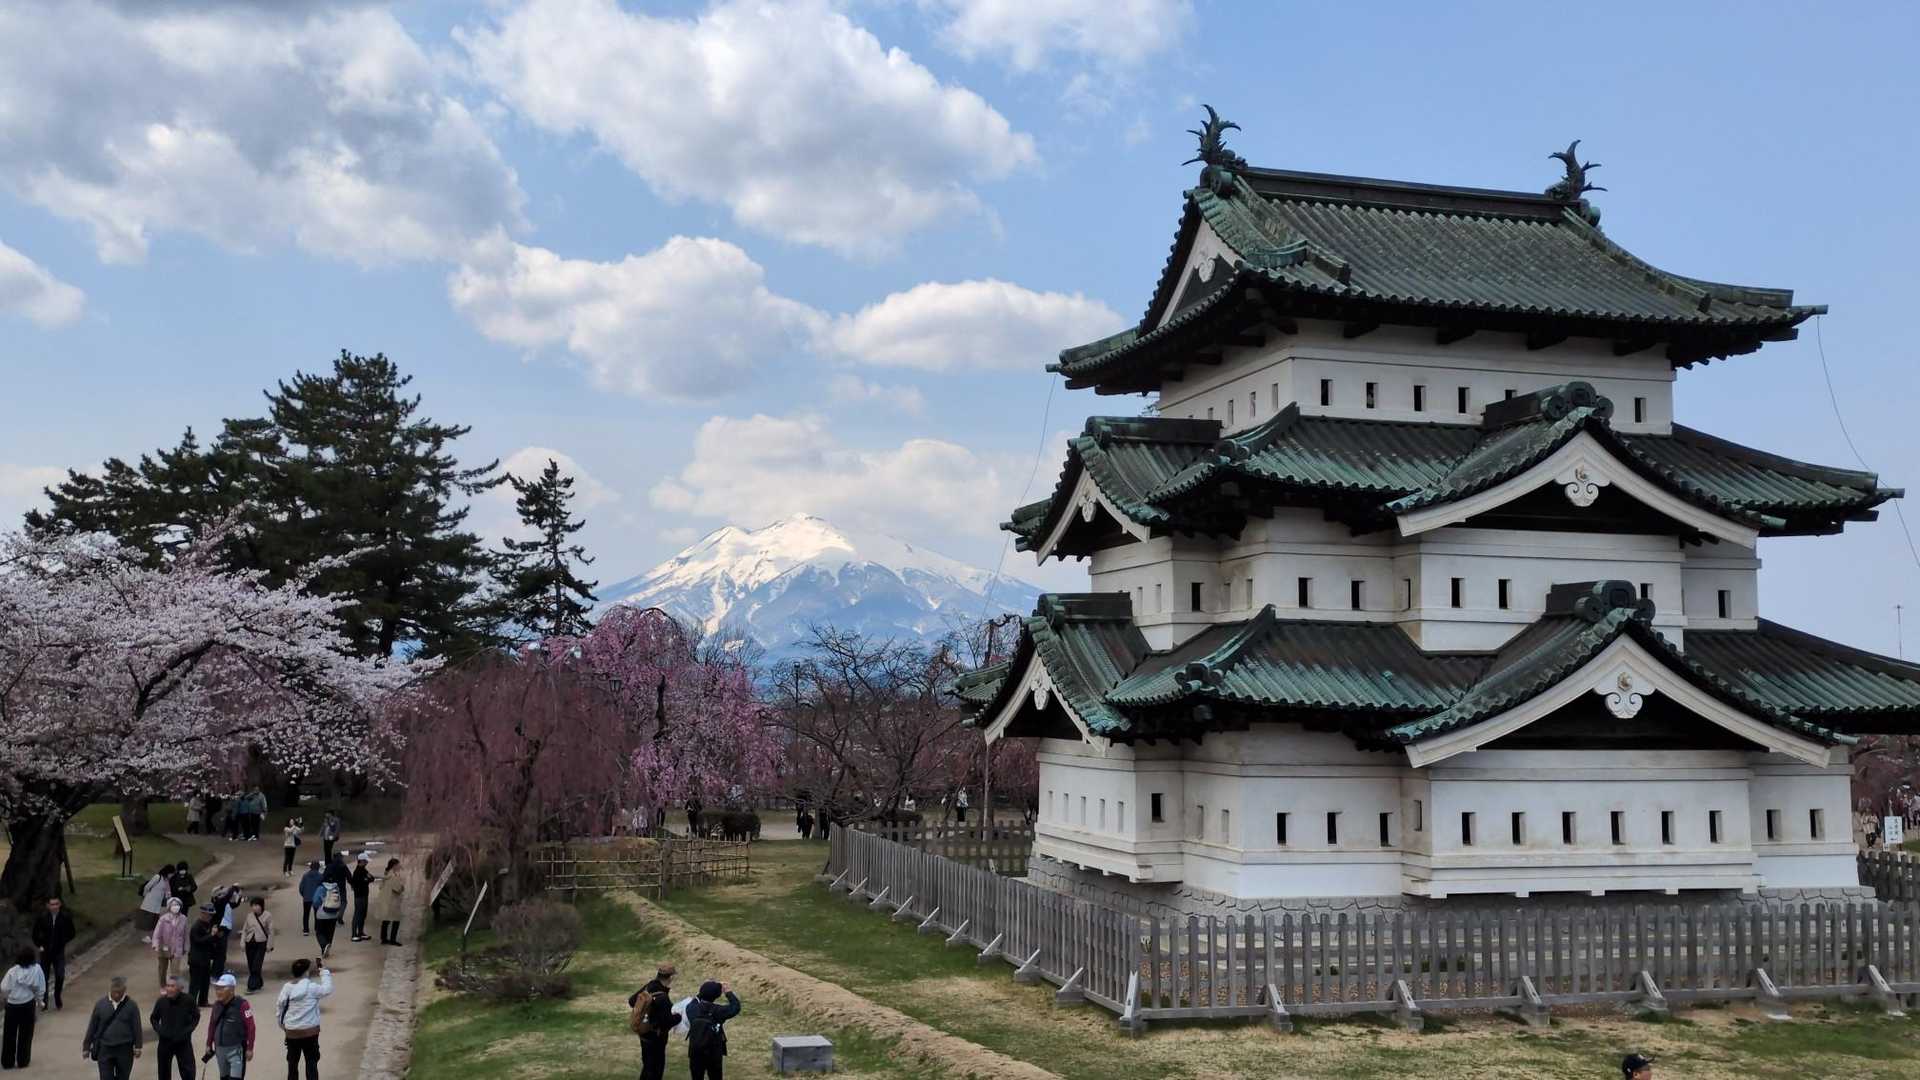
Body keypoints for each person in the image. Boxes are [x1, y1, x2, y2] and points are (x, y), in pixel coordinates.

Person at [274, 959, 331, 1080]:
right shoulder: (312, 988)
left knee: (292, 1063)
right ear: (305, 972)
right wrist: (324, 971)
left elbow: (280, 1007)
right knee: (311, 1062)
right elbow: (327, 989)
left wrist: (282, 1025)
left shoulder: (287, 988)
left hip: (292, 1032)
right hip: (310, 1032)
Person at [81, 975, 143, 1080]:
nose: (117, 995)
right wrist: (86, 1047)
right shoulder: (100, 1004)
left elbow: (136, 1026)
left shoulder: (132, 1006)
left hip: (125, 1049)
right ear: (110, 990)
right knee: (105, 1077)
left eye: (120, 992)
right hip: (105, 1048)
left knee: (123, 1077)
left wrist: (138, 1046)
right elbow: (92, 1026)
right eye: (115, 992)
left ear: (124, 990)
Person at [626, 963, 679, 1080]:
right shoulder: (663, 998)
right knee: (656, 1070)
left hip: (644, 1034)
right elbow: (666, 1022)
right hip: (657, 1038)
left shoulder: (649, 986)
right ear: (670, 977)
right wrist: (679, 1016)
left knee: (647, 1067)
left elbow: (632, 1001)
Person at [683, 981, 740, 1080]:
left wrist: (705, 988)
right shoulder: (719, 1011)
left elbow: (695, 1000)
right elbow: (735, 1007)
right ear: (716, 996)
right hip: (714, 1051)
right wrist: (728, 992)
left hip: (696, 1050)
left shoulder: (691, 1008)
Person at [147, 975, 199, 1080]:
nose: (169, 989)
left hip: (183, 1043)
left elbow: (196, 1017)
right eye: (168, 986)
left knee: (189, 1073)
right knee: (163, 1074)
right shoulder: (161, 1002)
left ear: (179, 988)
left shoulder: (188, 1000)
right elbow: (154, 1018)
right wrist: (161, 1031)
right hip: (165, 1043)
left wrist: (187, 1031)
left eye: (172, 986)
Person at [1, 946, 44, 1069]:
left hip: (12, 1005)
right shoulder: (37, 969)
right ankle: (23, 1060)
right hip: (27, 1005)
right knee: (26, 1034)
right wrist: (40, 1002)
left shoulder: (12, 971)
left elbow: (4, 987)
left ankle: (7, 1061)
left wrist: (6, 999)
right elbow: (40, 988)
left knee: (9, 1034)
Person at [203, 974, 253, 1080]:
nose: (218, 991)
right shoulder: (216, 1005)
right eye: (217, 988)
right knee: (224, 1077)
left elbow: (251, 1027)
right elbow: (212, 1025)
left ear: (231, 989)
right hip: (220, 1050)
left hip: (236, 1050)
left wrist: (250, 1048)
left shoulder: (243, 1005)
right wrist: (208, 1043)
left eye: (222, 988)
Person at [31, 895, 75, 1010]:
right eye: (52, 904)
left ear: (60, 905)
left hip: (58, 952)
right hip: (45, 952)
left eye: (56, 904)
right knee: (44, 977)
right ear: (48, 906)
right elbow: (35, 934)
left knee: (60, 975)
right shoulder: (42, 918)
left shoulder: (65, 918)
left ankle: (57, 995)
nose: (54, 907)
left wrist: (63, 941)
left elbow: (72, 932)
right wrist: (39, 945)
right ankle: (44, 1000)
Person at [187, 905, 224, 1007]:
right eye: (209, 915)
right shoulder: (196, 926)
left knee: (205, 981)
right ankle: (191, 1004)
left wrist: (217, 936)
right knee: (195, 984)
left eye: (211, 915)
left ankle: (203, 1001)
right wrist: (211, 935)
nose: (210, 917)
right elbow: (198, 941)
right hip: (196, 959)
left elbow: (211, 941)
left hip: (206, 959)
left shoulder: (209, 925)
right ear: (203, 914)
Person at [153, 898, 189, 989]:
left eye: (177, 905)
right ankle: (163, 986)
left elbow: (185, 934)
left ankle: (174, 987)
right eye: (173, 905)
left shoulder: (183, 919)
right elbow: (157, 933)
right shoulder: (163, 918)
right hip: (163, 947)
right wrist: (155, 944)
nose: (175, 907)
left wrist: (186, 947)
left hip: (177, 948)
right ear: (169, 907)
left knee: (175, 970)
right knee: (162, 969)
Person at [241, 898, 275, 993]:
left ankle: (251, 986)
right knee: (251, 964)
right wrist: (242, 942)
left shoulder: (268, 915)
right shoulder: (249, 916)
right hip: (249, 942)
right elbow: (244, 930)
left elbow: (271, 931)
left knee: (256, 965)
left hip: (261, 943)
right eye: (253, 905)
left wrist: (269, 945)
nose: (254, 907)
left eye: (256, 905)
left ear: (261, 906)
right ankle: (258, 982)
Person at [309, 874, 345, 959]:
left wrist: (318, 906)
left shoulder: (321, 888)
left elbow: (315, 901)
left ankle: (324, 946)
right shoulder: (336, 887)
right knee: (330, 932)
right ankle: (326, 949)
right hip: (334, 914)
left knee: (319, 932)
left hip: (322, 915)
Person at [373, 858, 405, 946]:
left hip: (385, 900)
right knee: (396, 920)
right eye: (398, 865)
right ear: (394, 865)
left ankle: (383, 938)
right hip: (392, 901)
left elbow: (380, 886)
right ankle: (392, 939)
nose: (399, 866)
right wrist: (402, 887)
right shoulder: (393, 876)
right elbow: (398, 889)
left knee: (386, 919)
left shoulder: (386, 874)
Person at [138, 866, 173, 942]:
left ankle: (151, 936)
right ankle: (145, 936)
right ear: (167, 872)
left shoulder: (167, 882)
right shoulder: (157, 877)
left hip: (157, 905)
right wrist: (144, 896)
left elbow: (168, 893)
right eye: (171, 873)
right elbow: (147, 887)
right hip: (149, 903)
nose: (171, 875)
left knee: (154, 921)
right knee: (147, 921)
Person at [347, 856, 374, 943]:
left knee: (363, 915)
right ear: (361, 861)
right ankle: (354, 934)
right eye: (365, 861)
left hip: (364, 895)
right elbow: (360, 882)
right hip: (359, 896)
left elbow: (372, 878)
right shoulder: (357, 872)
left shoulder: (364, 870)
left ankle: (360, 933)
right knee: (358, 915)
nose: (367, 863)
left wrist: (366, 879)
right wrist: (366, 879)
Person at [296, 862, 323, 938]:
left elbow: (301, 887)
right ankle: (317, 928)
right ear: (318, 867)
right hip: (316, 898)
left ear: (310, 867)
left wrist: (304, 895)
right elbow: (322, 887)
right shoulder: (320, 876)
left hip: (307, 898)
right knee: (317, 914)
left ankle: (306, 930)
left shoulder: (305, 876)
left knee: (306, 914)